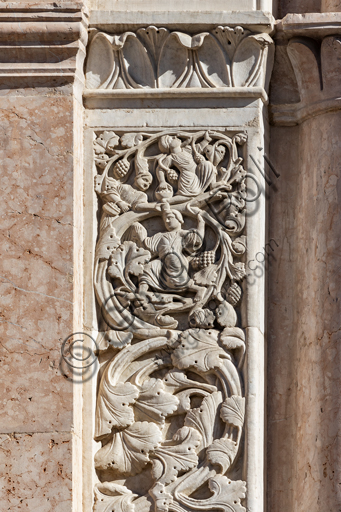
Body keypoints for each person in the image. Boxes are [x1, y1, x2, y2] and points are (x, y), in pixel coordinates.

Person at [136, 203, 206, 302]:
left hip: (176, 259)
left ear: (179, 220)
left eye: (170, 218)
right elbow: (147, 245)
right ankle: (142, 292)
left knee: (176, 274)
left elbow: (197, 239)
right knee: (148, 267)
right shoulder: (160, 235)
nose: (167, 221)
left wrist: (201, 223)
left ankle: (198, 289)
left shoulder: (182, 233)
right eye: (165, 220)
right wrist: (140, 235)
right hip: (161, 261)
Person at [156, 132, 219, 200]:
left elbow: (198, 146)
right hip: (188, 179)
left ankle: (213, 184)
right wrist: (162, 181)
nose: (174, 137)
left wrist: (206, 140)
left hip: (198, 173)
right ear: (168, 146)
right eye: (171, 139)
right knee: (191, 196)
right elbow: (160, 169)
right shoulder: (171, 157)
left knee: (207, 164)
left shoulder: (187, 149)